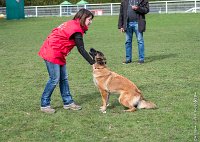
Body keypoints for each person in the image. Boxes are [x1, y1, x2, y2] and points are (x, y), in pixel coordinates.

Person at [38, 8, 95, 113]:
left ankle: (68, 102)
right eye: (89, 19)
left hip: (58, 52)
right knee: (54, 79)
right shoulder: (76, 29)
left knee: (64, 78)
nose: (90, 22)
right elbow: (81, 49)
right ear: (83, 18)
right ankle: (44, 104)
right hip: (52, 52)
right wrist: (93, 63)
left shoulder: (72, 23)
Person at [118, 0, 149, 64]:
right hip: (127, 24)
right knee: (127, 42)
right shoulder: (124, 1)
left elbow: (146, 10)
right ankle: (128, 59)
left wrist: (138, 8)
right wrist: (120, 26)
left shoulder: (143, 0)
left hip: (138, 23)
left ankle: (141, 59)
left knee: (140, 41)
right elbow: (121, 13)